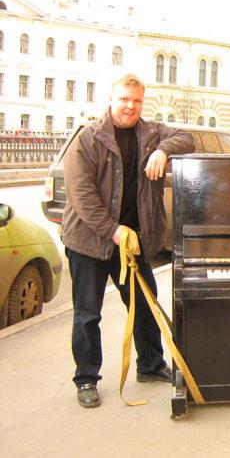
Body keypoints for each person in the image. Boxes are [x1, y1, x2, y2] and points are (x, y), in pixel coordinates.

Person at [61, 74, 195, 408]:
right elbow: (82, 197)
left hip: (131, 244)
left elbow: (187, 138)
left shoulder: (151, 134)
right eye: (124, 99)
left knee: (146, 307)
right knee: (88, 315)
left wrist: (163, 151)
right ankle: (86, 378)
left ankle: (150, 365)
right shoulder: (88, 139)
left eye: (136, 101)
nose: (130, 106)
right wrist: (114, 230)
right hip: (89, 242)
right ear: (111, 99)